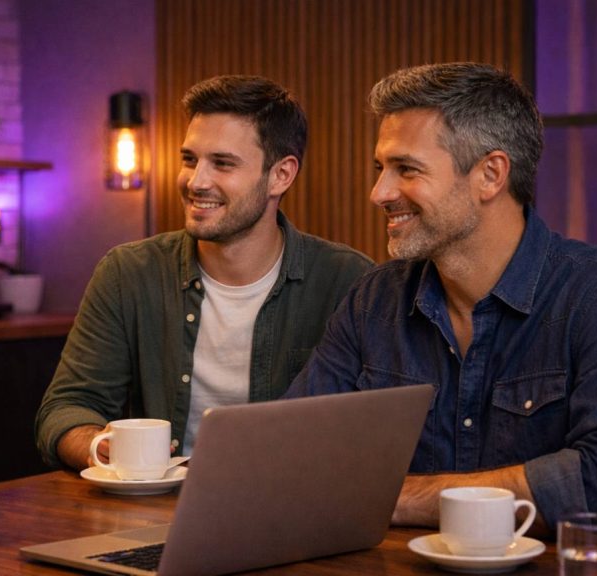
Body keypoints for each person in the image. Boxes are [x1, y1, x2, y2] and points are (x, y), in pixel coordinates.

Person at [285, 62, 597, 531]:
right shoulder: (373, 300)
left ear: (490, 175)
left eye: (406, 169)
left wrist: (392, 498)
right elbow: (292, 455)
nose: (379, 192)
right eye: (381, 169)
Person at [36, 75, 373, 471]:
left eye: (223, 164)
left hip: (290, 499)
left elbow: (372, 428)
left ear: (281, 175)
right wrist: (101, 446)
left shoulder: (348, 280)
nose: (196, 181)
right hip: (159, 500)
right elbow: (66, 409)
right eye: (189, 160)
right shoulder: (129, 273)